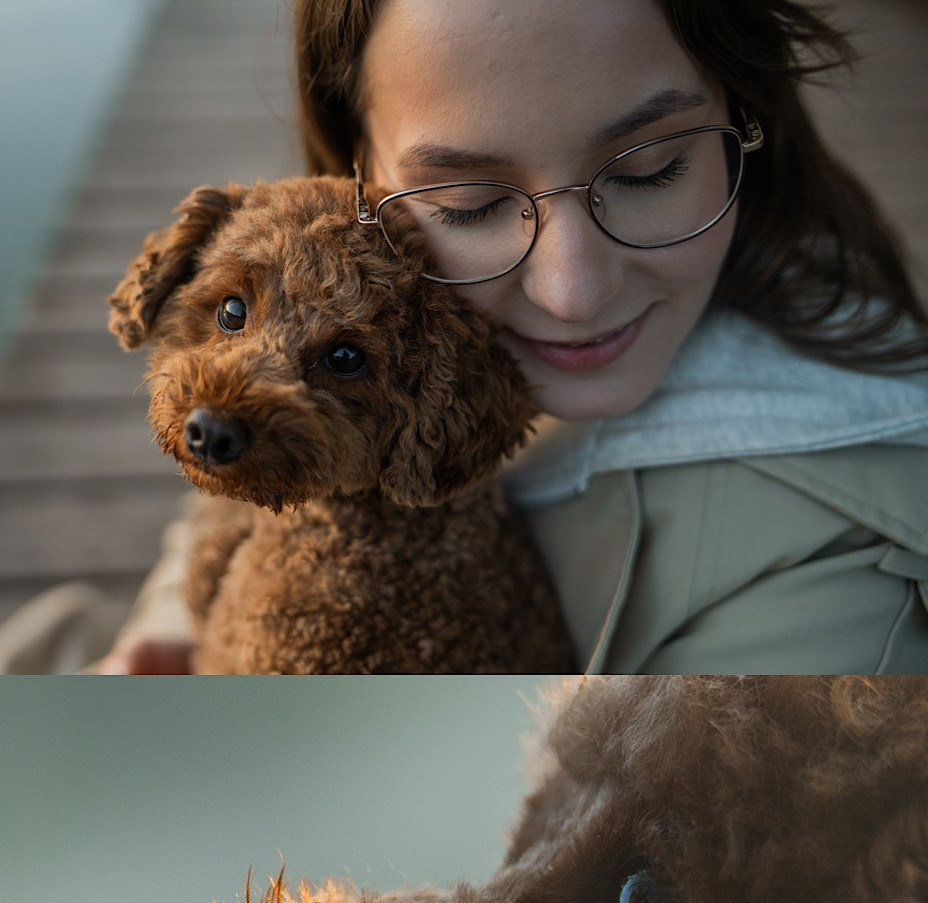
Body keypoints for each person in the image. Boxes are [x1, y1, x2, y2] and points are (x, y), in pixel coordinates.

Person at [99, 0, 928, 674]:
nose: (575, 292)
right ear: (359, 171)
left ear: (748, 116)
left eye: (649, 170)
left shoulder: (839, 599)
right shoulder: (372, 294)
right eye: (467, 203)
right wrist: (178, 621)